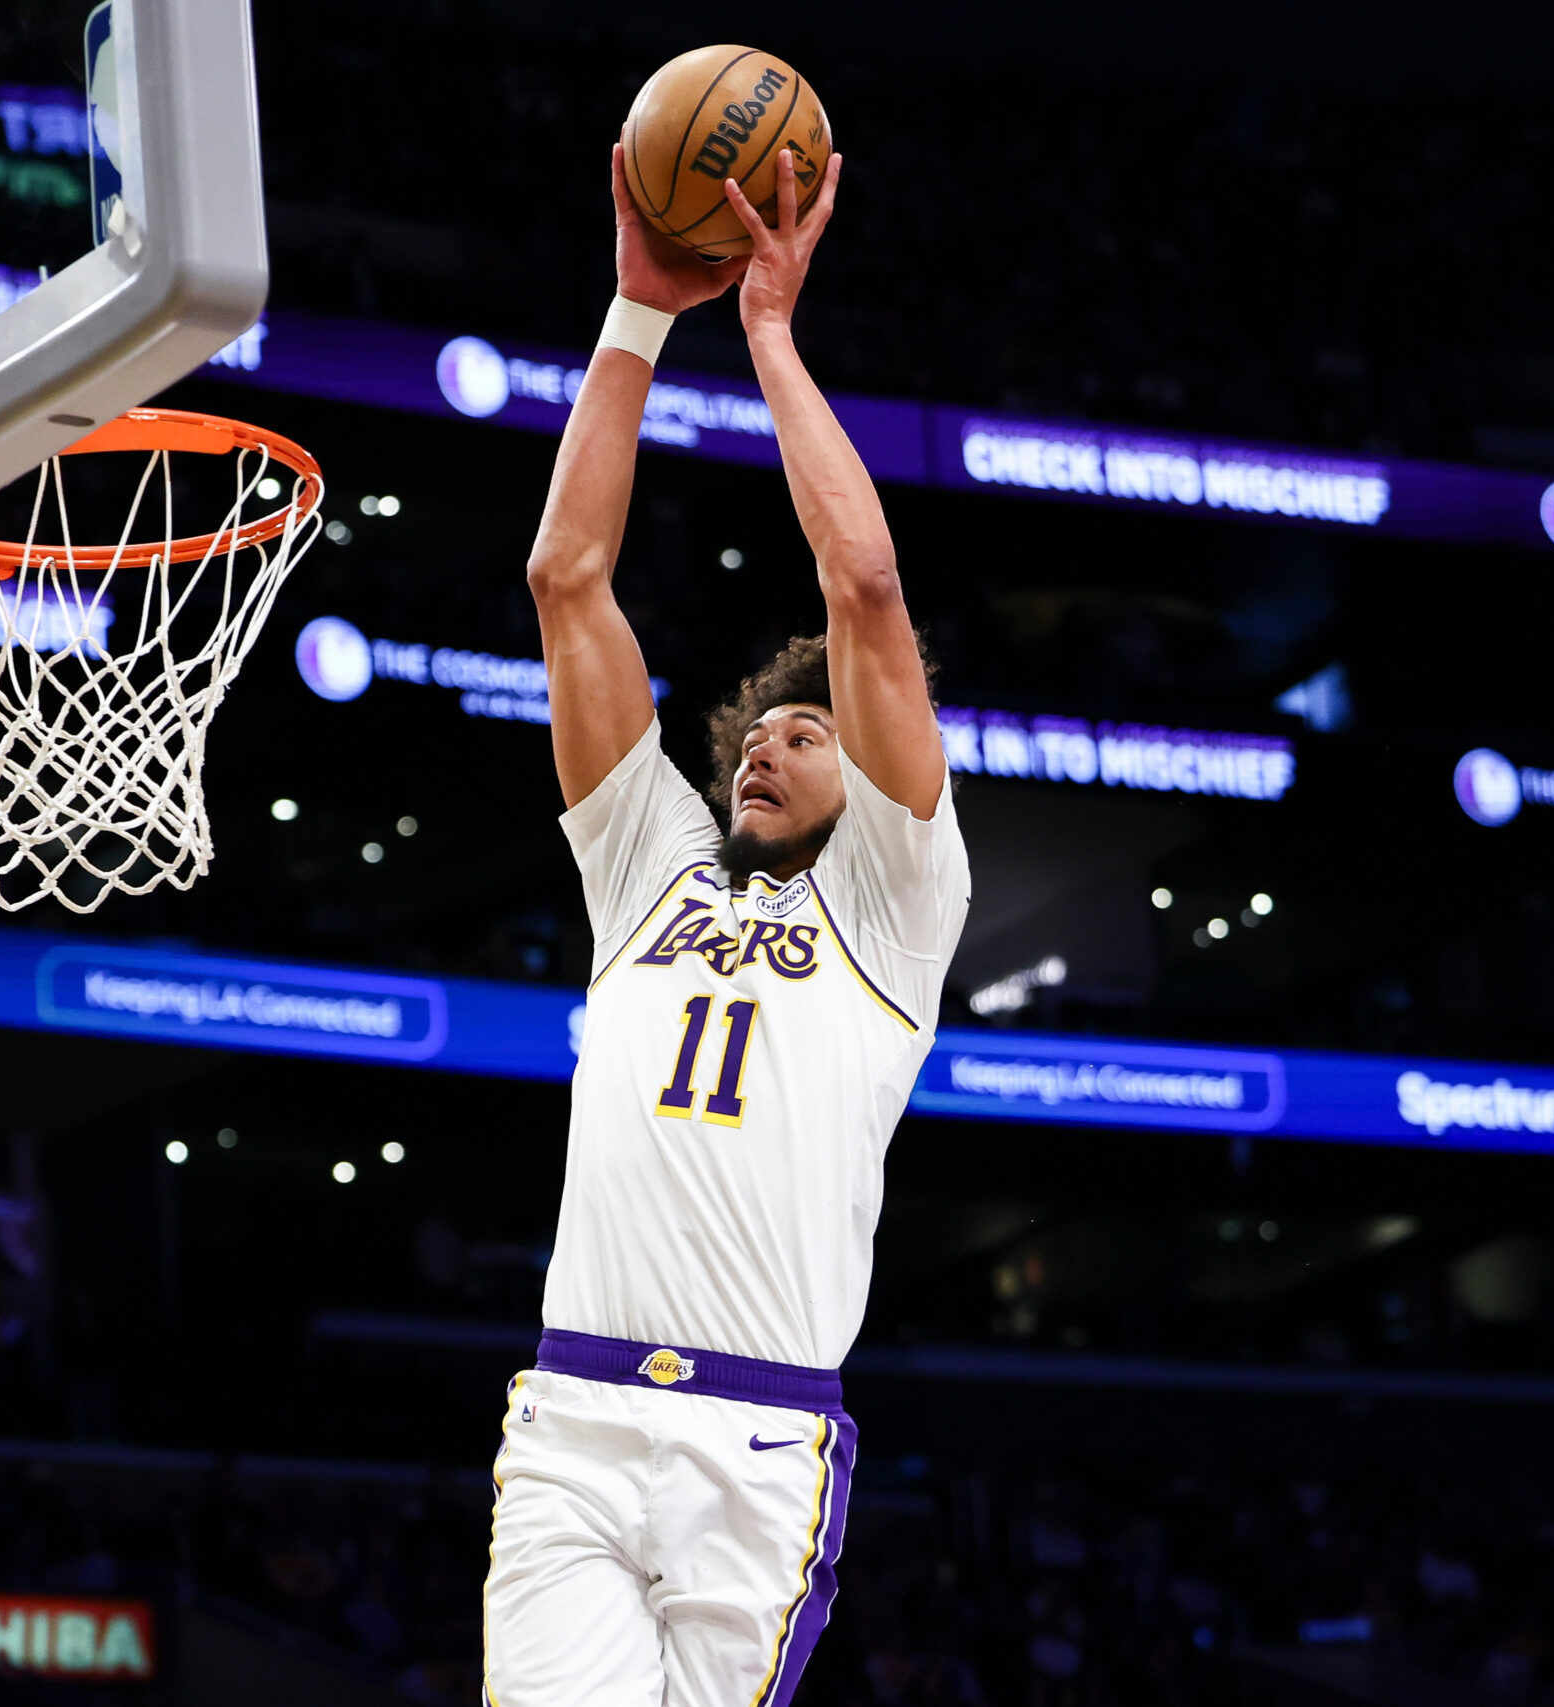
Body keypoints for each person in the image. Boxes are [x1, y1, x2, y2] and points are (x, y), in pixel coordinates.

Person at [484, 142, 970, 1707]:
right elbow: (567, 577)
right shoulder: (650, 872)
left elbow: (867, 586)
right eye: (755, 735)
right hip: (574, 1416)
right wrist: (638, 314)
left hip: (756, 1438)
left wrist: (765, 332)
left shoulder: (896, 905)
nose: (765, 745)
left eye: (805, 734)